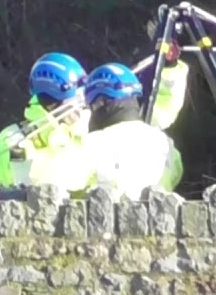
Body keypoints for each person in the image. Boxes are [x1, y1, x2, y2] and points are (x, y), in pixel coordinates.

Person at [0, 52, 91, 191]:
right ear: (57, 95)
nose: (83, 104)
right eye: (78, 97)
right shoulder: (11, 140)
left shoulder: (90, 134)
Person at [76, 62, 185, 200]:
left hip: (110, 219)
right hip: (163, 216)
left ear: (100, 102)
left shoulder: (90, 145)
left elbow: (70, 184)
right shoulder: (164, 143)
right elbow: (175, 174)